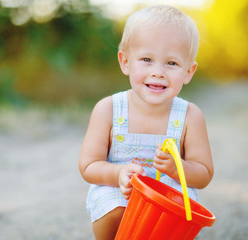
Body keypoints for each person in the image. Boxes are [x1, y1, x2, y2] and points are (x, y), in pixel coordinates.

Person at [78, 5, 214, 240]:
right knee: (117, 209)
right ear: (125, 62)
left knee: (178, 215)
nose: (158, 72)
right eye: (147, 59)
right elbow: (88, 166)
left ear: (189, 71)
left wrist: (177, 167)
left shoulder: (190, 116)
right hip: (121, 191)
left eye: (171, 63)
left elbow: (203, 174)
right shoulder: (108, 109)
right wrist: (118, 173)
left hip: (167, 197)